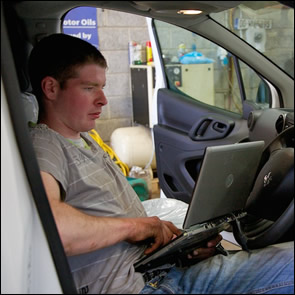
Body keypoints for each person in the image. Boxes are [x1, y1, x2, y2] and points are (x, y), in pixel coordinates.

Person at [29, 33, 294, 294]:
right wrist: (138, 226)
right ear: (51, 88)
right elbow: (53, 227)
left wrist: (182, 250)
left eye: (102, 87)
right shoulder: (45, 144)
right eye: (89, 88)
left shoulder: (86, 140)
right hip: (144, 286)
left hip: (161, 271)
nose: (103, 99)